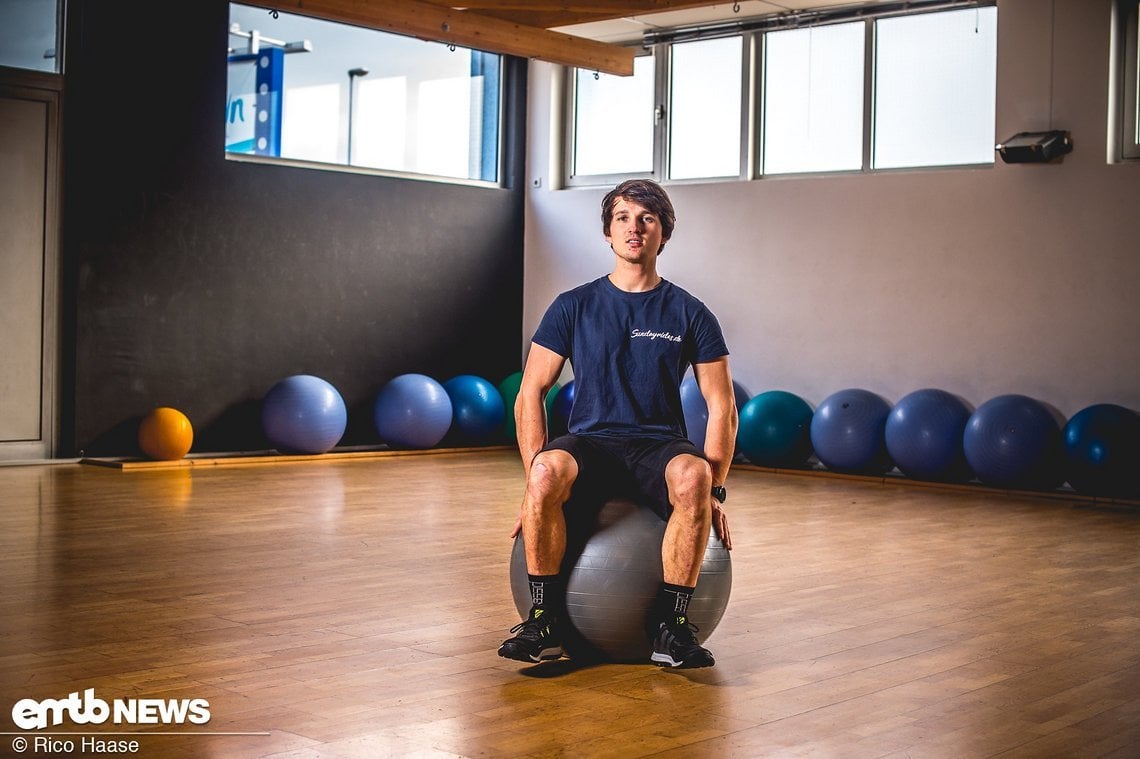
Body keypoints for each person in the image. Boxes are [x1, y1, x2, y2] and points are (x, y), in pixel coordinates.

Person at [499, 178, 738, 669]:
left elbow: (723, 407)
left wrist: (714, 492)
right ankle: (542, 620)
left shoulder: (690, 312)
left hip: (657, 445)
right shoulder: (573, 306)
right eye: (624, 218)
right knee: (546, 472)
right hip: (591, 441)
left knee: (694, 475)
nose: (635, 228)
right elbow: (530, 392)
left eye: (647, 219)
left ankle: (671, 628)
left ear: (663, 234)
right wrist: (531, 487)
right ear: (608, 232)